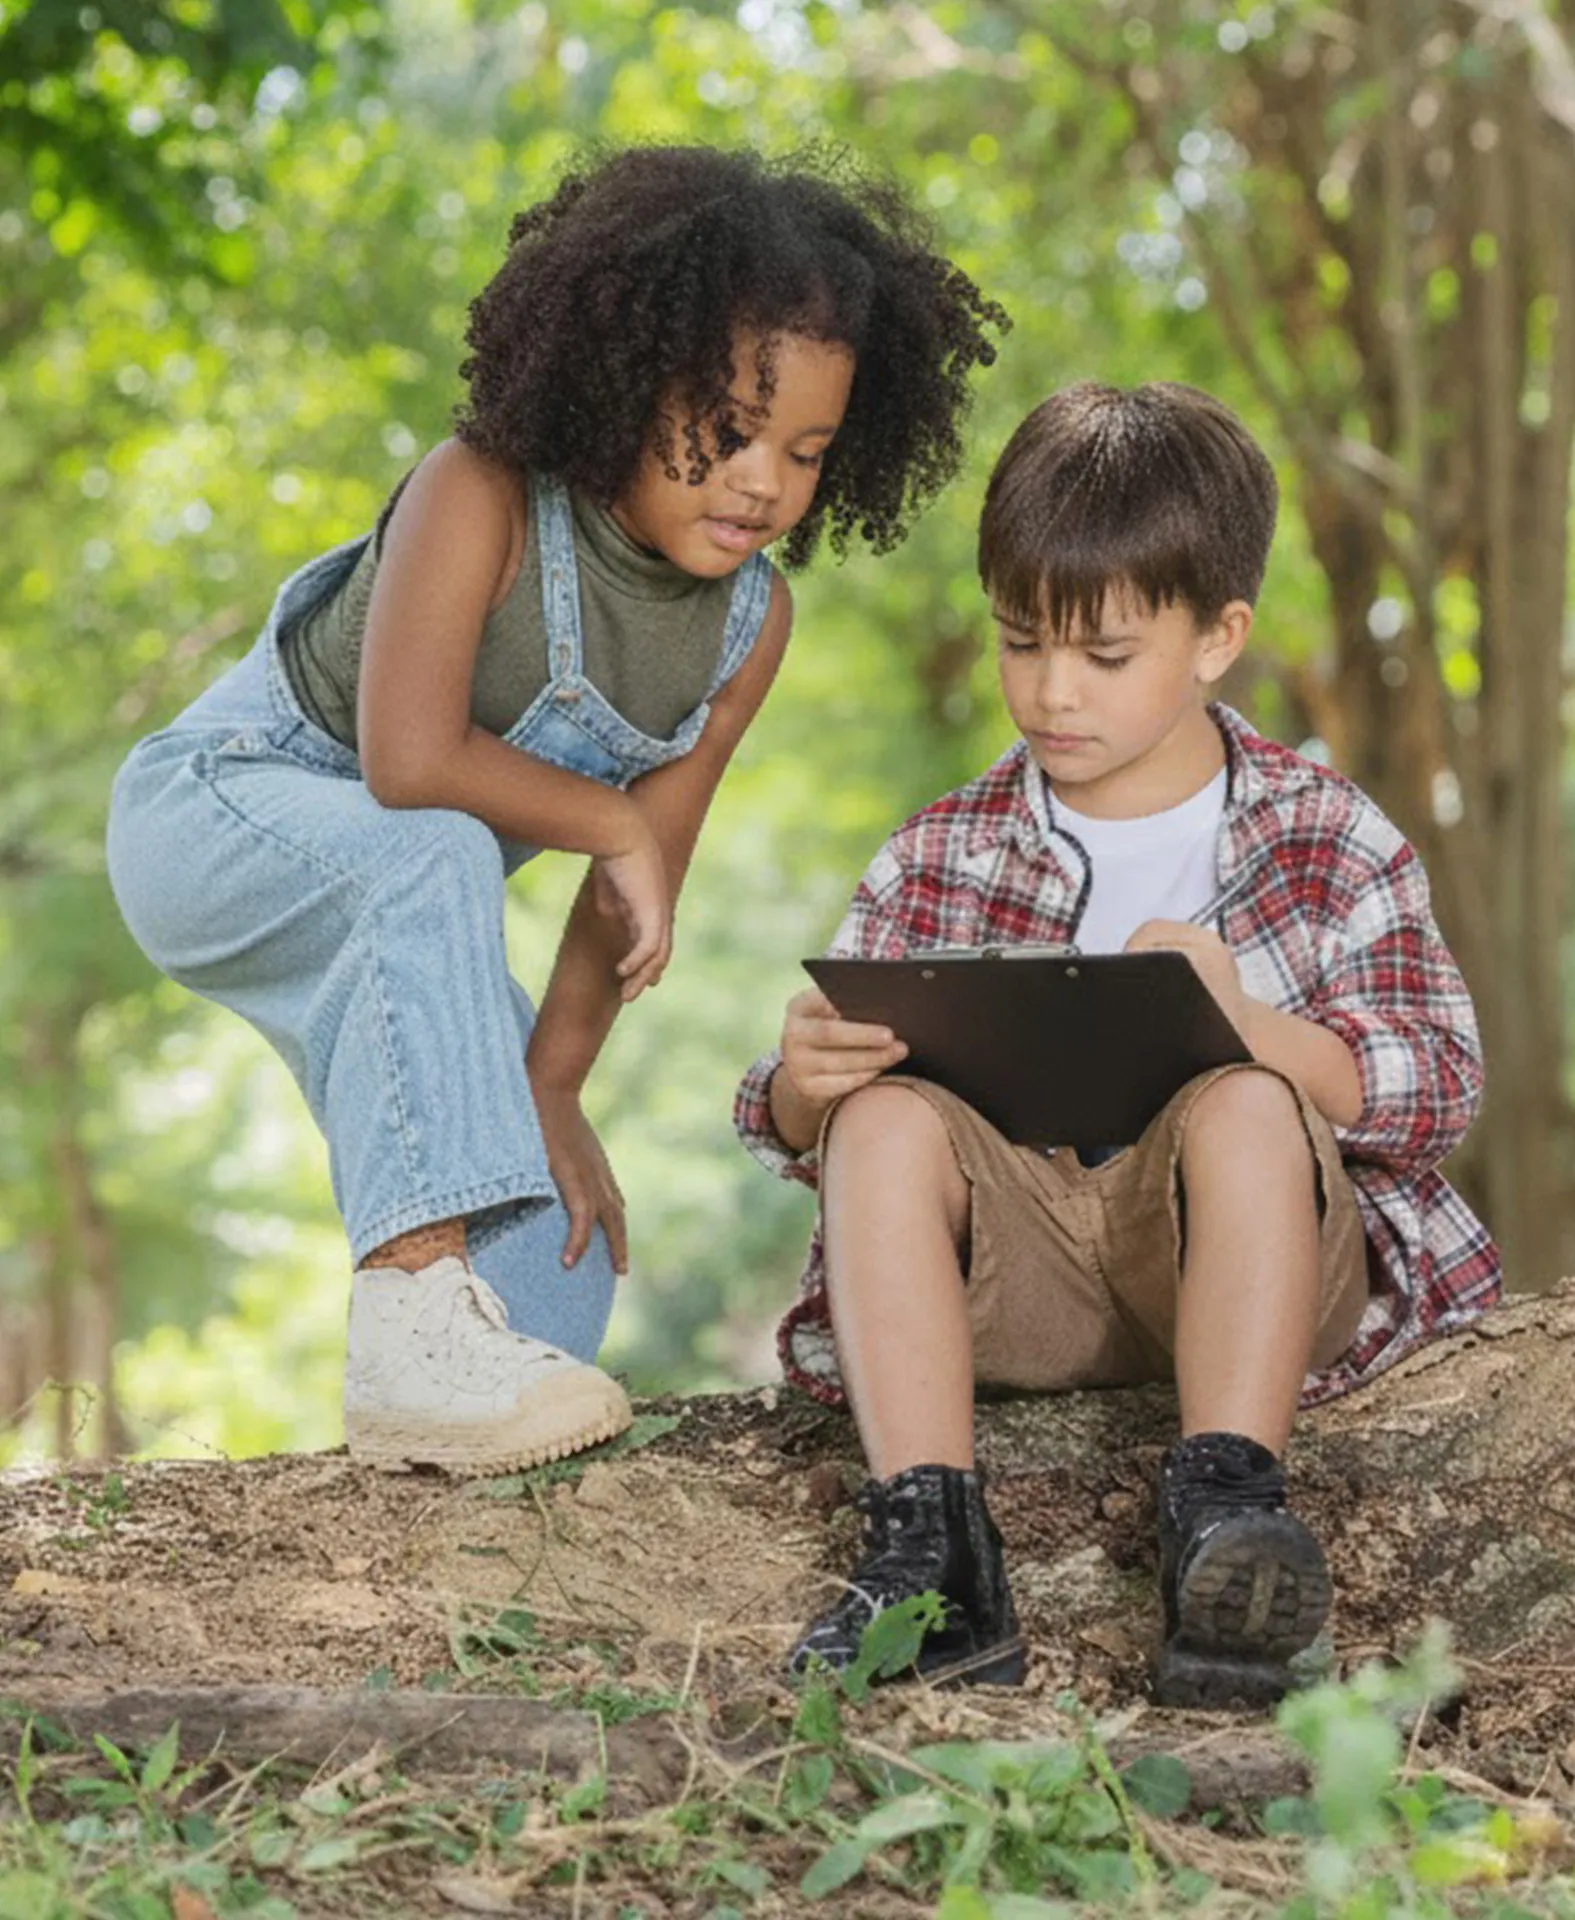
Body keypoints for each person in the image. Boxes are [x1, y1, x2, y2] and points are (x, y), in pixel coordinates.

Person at [106, 145, 1006, 1477]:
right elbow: (410, 761)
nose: (762, 480)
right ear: (621, 381)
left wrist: (552, 1089)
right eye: (726, 427)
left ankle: (434, 1412)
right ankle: (413, 1317)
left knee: (559, 1270)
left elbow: (630, 899)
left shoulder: (748, 628)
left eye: (806, 451)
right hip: (218, 817)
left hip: (397, 898)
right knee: (434, 846)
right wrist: (612, 821)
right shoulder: (481, 497)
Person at [734, 381, 1501, 1706]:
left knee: (1247, 1101)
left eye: (1103, 656)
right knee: (883, 1117)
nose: (1048, 692)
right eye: (1020, 642)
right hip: (1020, 1277)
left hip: (1243, 1266)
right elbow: (801, 1122)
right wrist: (806, 1090)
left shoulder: (1325, 835)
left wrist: (1249, 1029)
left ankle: (1224, 1521)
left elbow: (1437, 1091)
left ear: (1217, 638)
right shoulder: (944, 847)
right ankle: (934, 1557)